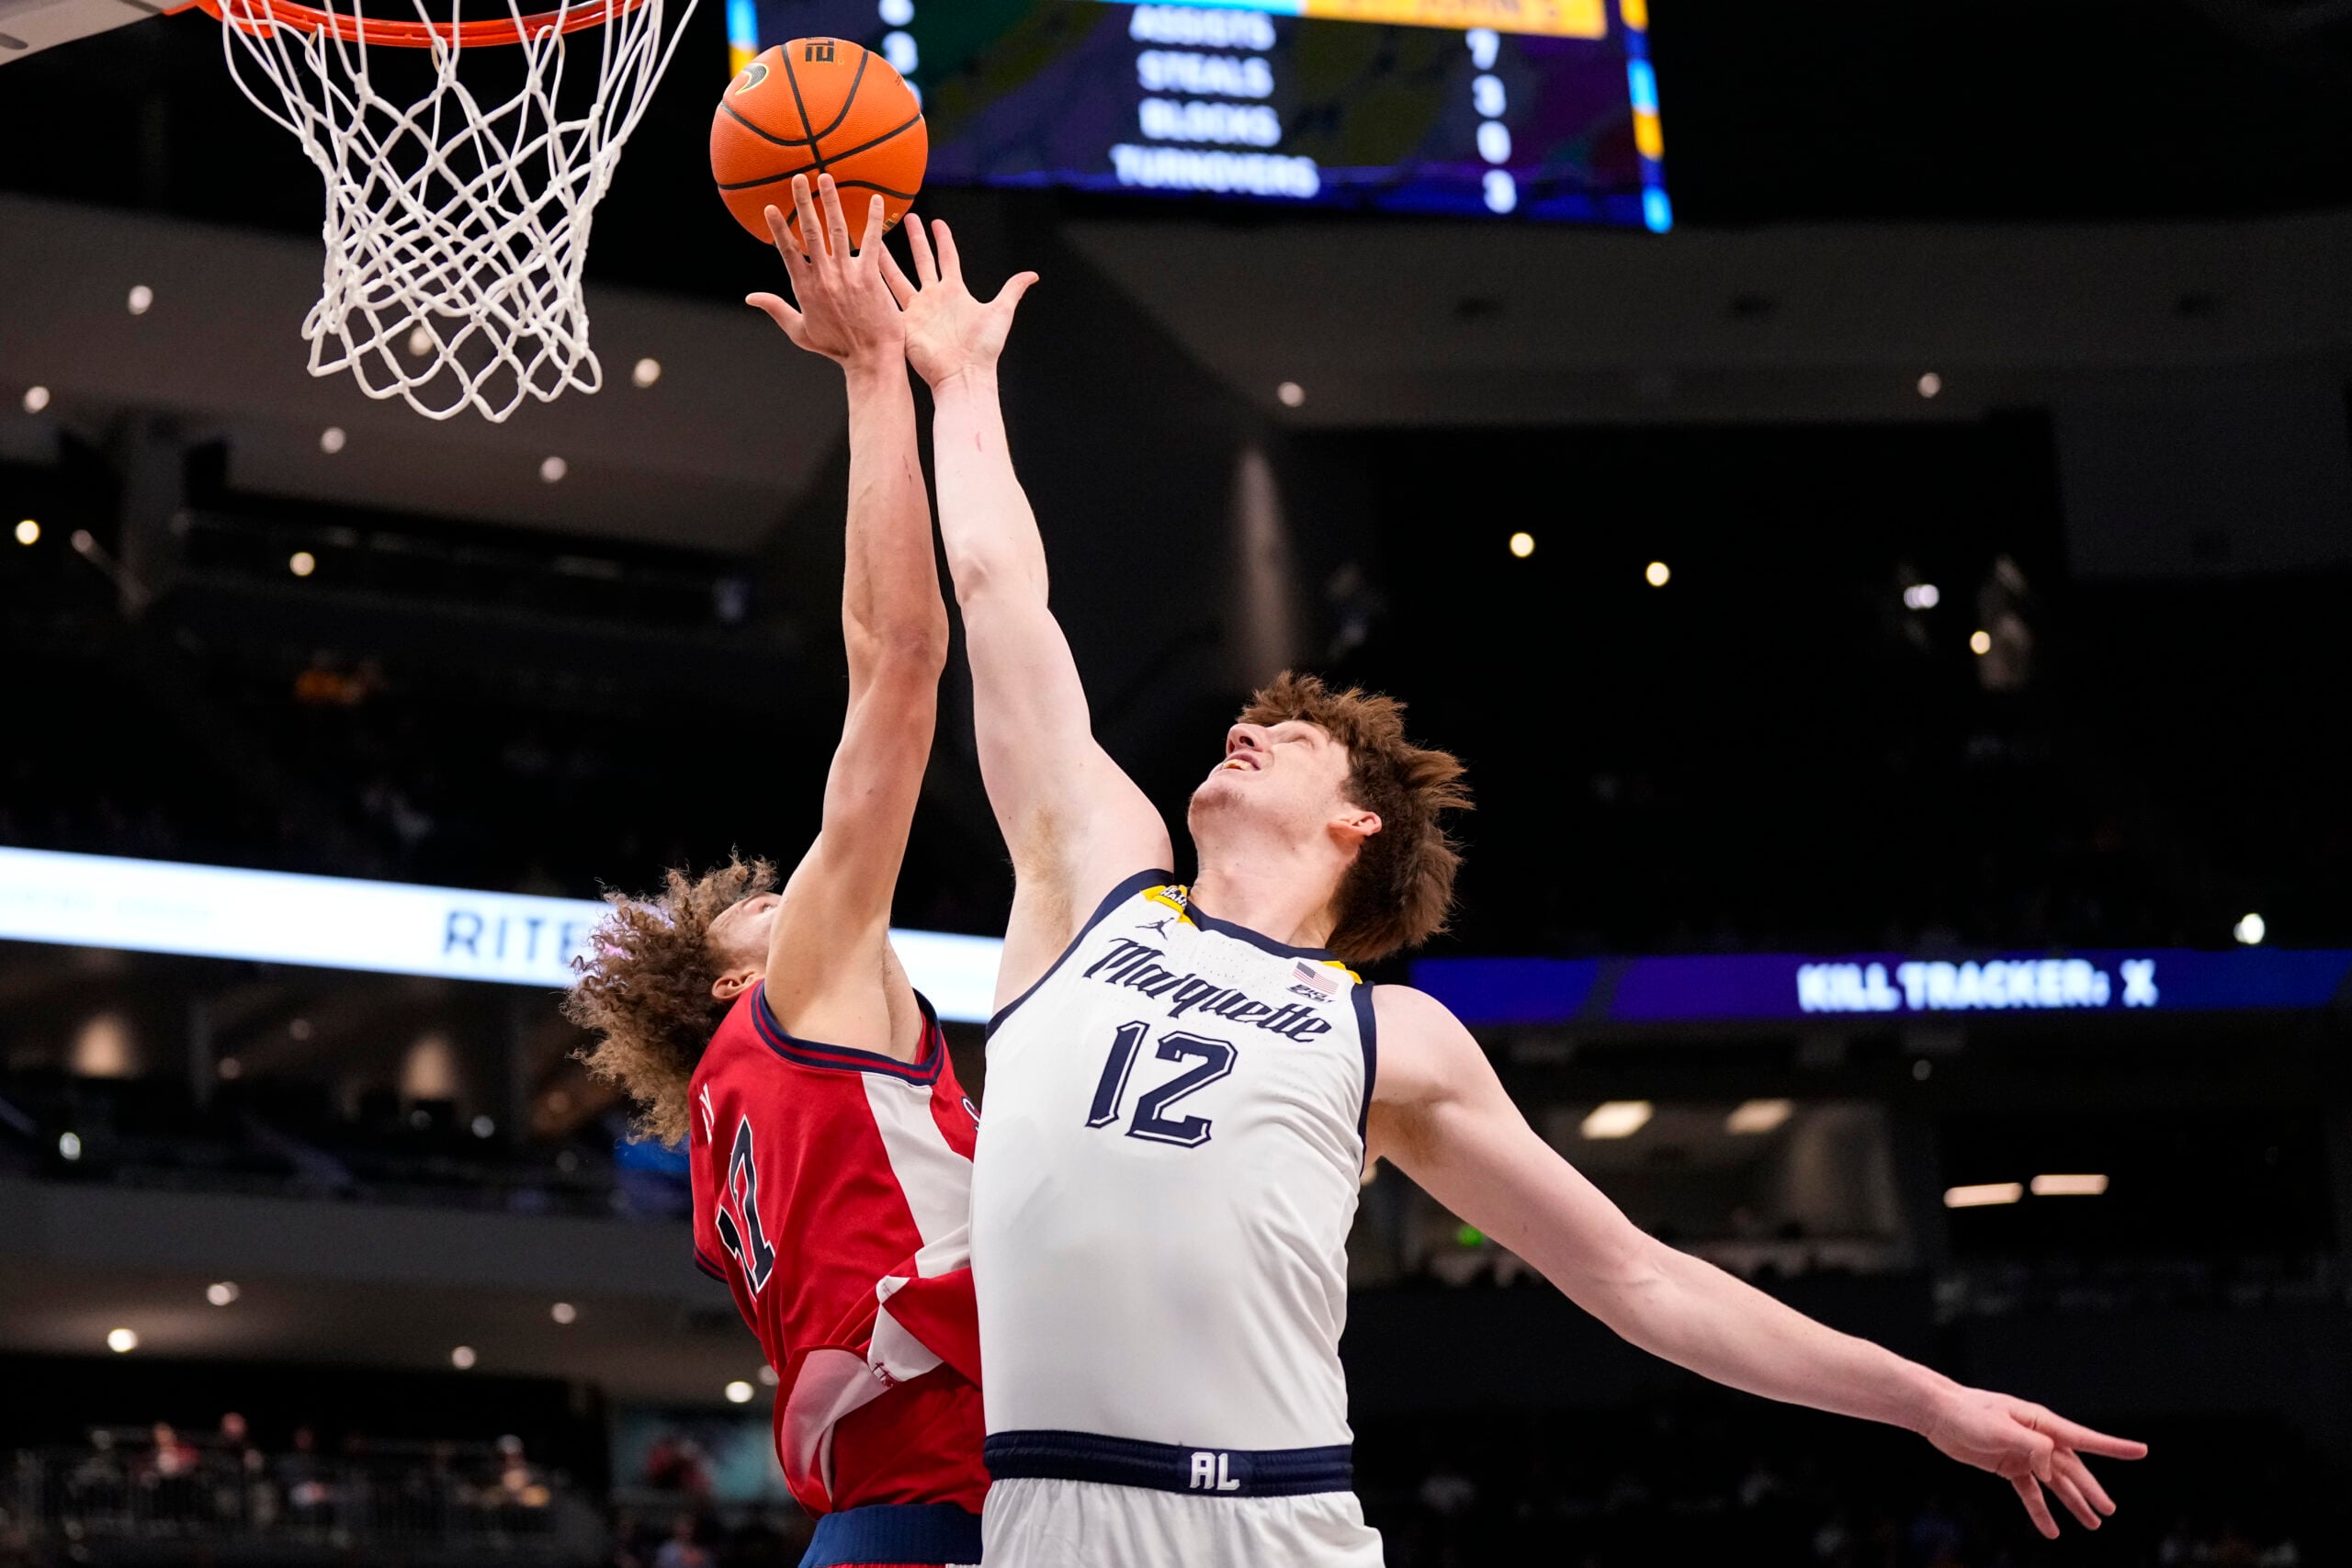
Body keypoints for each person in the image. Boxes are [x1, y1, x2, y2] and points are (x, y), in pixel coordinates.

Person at [885, 220, 2149, 1566]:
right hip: (1040, 1517)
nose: (1242, 731)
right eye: (1243, 724)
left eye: (1289, 736)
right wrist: (959, 385)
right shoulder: (1095, 887)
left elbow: (1639, 1279)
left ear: (1355, 821)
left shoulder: (1390, 1035)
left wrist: (1928, 1400)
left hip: (1269, 1524)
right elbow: (1000, 599)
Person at [566, 175, 983, 1568]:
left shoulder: (732, 1117)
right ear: (742, 968)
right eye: (776, 904)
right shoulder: (797, 1007)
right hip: (944, 1514)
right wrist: (877, 374)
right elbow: (899, 669)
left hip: (882, 1520)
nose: (814, 899)